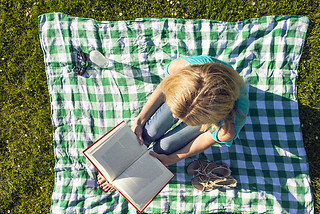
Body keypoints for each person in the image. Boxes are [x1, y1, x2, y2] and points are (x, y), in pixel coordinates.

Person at [97, 55, 249, 192]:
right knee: (149, 131)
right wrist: (140, 120)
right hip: (197, 95)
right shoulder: (181, 67)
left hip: (212, 109)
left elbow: (203, 140)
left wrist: (173, 159)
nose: (177, 118)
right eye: (177, 113)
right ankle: (121, 167)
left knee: (164, 148)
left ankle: (129, 170)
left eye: (186, 120)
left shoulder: (227, 128)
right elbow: (165, 87)